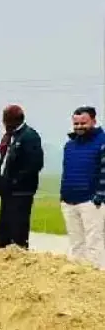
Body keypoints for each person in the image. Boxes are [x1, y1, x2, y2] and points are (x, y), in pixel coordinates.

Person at [0, 104, 44, 249]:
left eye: (6, 120)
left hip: (21, 192)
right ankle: (2, 254)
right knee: (3, 229)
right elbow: (4, 160)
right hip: (7, 191)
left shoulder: (29, 136)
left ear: (14, 120)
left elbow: (35, 165)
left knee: (17, 229)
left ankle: (19, 259)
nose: (4, 123)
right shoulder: (10, 137)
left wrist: (14, 181)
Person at [59, 106, 105, 268]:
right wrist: (62, 197)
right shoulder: (69, 146)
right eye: (76, 123)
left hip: (91, 202)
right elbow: (66, 172)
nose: (79, 127)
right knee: (76, 243)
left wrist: (99, 198)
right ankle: (78, 281)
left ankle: (96, 279)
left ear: (93, 121)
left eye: (83, 123)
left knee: (94, 242)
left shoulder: (102, 142)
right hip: (69, 201)